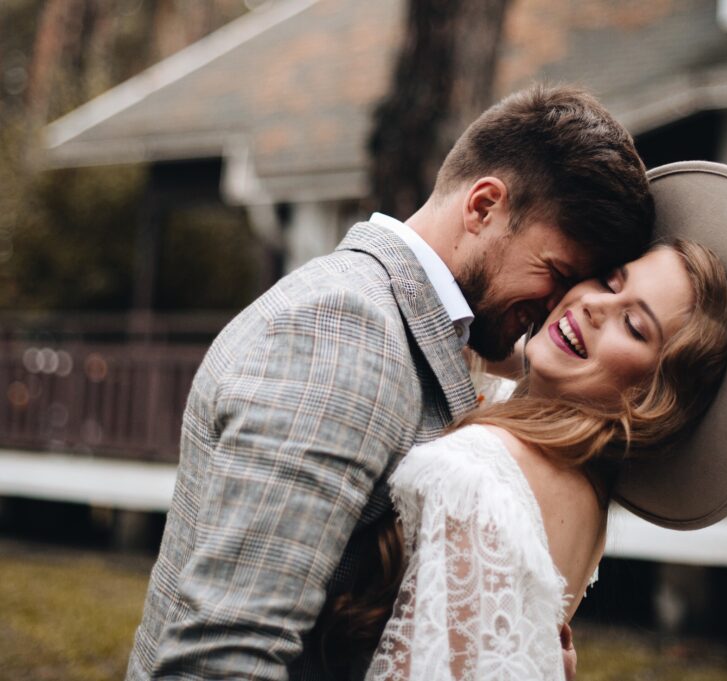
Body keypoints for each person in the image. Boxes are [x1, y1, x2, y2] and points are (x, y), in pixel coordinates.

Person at [126, 85, 654, 681]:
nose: (558, 305)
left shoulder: (412, 330)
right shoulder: (346, 332)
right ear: (483, 206)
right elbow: (224, 658)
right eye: (556, 272)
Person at [319, 161, 727, 681]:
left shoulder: (485, 469)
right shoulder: (583, 490)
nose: (596, 305)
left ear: (654, 393)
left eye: (634, 324)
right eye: (608, 279)